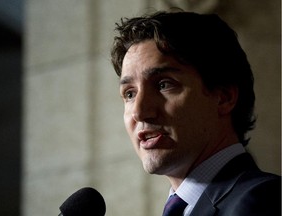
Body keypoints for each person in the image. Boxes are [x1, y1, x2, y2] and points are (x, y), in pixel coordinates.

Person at [110, 10, 281, 216]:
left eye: (164, 84)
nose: (139, 111)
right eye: (129, 94)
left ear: (224, 97)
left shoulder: (264, 201)